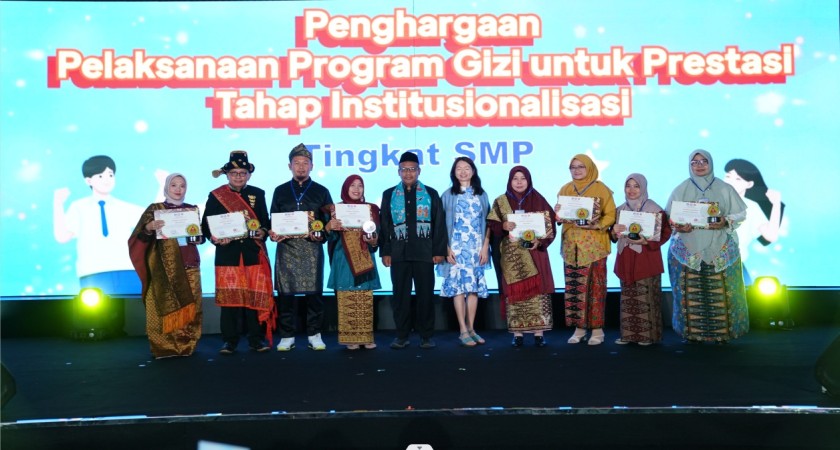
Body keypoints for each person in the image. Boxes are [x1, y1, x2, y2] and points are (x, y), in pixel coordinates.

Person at [667, 150, 749, 343]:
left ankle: (724, 334)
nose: (700, 165)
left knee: (724, 293)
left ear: (710, 163)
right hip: (688, 249)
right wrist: (678, 226)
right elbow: (670, 217)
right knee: (689, 292)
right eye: (695, 162)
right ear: (690, 165)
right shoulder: (681, 189)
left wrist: (724, 221)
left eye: (704, 161)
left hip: (720, 247)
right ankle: (691, 334)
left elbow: (740, 214)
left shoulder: (724, 188)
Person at [202, 151, 275, 354]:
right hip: (228, 254)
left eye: (243, 173)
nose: (238, 177)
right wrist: (215, 238)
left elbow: (265, 221)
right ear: (227, 175)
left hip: (253, 252)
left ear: (249, 175)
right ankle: (229, 341)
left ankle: (256, 340)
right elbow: (206, 225)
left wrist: (263, 231)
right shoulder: (216, 195)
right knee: (229, 300)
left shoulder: (258, 194)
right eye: (234, 173)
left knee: (255, 297)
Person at [128, 173, 204, 358]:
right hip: (163, 268)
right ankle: (165, 347)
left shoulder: (192, 210)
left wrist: (198, 237)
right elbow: (138, 237)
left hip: (189, 264)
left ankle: (186, 345)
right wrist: (149, 228)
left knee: (190, 307)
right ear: (166, 187)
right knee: (164, 306)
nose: (178, 189)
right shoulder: (155, 209)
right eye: (174, 185)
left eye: (182, 186)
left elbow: (199, 237)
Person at [380, 151, 447, 350]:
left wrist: (438, 251)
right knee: (400, 297)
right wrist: (386, 251)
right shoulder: (389, 194)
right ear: (398, 171)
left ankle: (426, 336)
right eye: (404, 169)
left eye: (412, 169)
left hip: (424, 253)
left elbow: (439, 224)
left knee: (425, 296)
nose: (408, 173)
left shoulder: (431, 194)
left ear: (419, 171)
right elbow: (385, 225)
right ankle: (402, 335)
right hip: (398, 254)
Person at [270, 144, 333, 351]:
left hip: (311, 248)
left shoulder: (321, 191)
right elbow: (273, 219)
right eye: (296, 163)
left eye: (305, 163)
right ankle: (287, 335)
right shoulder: (280, 191)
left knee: (314, 295)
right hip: (286, 248)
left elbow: (329, 220)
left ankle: (314, 334)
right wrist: (273, 232)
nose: (301, 167)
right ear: (289, 166)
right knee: (285, 295)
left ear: (312, 166)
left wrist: (321, 233)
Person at [54, 155, 144, 294]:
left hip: (127, 269)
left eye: (110, 175)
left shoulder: (124, 207)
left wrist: (164, 189)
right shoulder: (79, 207)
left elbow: (153, 219)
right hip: (93, 271)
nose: (107, 180)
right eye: (100, 176)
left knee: (134, 305)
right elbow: (62, 236)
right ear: (88, 180)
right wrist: (58, 204)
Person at [487, 166, 557, 347]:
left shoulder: (539, 200)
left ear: (529, 180)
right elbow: (492, 225)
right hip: (512, 259)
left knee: (538, 292)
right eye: (515, 178)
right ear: (509, 181)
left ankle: (539, 333)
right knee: (514, 293)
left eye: (523, 178)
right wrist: (503, 226)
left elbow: (550, 226)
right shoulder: (500, 201)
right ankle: (517, 334)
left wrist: (540, 242)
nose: (519, 182)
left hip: (535, 254)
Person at [556, 154, 616, 346]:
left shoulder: (601, 188)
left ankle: (597, 330)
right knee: (574, 290)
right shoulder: (565, 189)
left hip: (594, 247)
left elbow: (611, 215)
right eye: (573, 167)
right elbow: (561, 215)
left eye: (581, 166)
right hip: (571, 248)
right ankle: (579, 329)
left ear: (589, 167)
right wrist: (558, 215)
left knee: (595, 290)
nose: (577, 170)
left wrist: (596, 224)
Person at [609, 173, 672, 346]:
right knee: (627, 298)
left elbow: (666, 232)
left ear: (643, 188)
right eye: (628, 186)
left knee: (646, 297)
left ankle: (648, 336)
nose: (631, 190)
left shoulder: (654, 209)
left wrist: (646, 242)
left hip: (646, 258)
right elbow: (613, 235)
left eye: (636, 186)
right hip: (625, 258)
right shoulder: (620, 210)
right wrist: (613, 231)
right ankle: (628, 335)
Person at [438, 157, 491, 347]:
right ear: (454, 172)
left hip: (476, 248)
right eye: (458, 168)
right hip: (456, 248)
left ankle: (472, 328)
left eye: (466, 168)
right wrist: (446, 248)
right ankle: (462, 330)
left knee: (473, 289)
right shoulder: (448, 195)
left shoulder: (481, 194)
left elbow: (489, 222)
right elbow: (440, 225)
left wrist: (485, 247)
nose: (463, 171)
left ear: (473, 171)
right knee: (459, 289)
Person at [324, 175, 381, 350]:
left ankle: (366, 337)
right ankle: (350, 338)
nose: (356, 189)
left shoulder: (371, 210)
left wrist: (374, 241)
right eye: (352, 185)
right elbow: (330, 238)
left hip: (364, 257)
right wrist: (329, 227)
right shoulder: (336, 210)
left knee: (364, 296)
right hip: (343, 258)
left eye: (360, 185)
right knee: (346, 295)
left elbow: (375, 238)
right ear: (345, 188)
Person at [723, 158, 785, 285]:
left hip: (734, 266)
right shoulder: (711, 201)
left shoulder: (751, 208)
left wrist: (776, 205)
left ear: (749, 184)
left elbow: (770, 235)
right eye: (728, 176)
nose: (730, 182)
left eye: (738, 179)